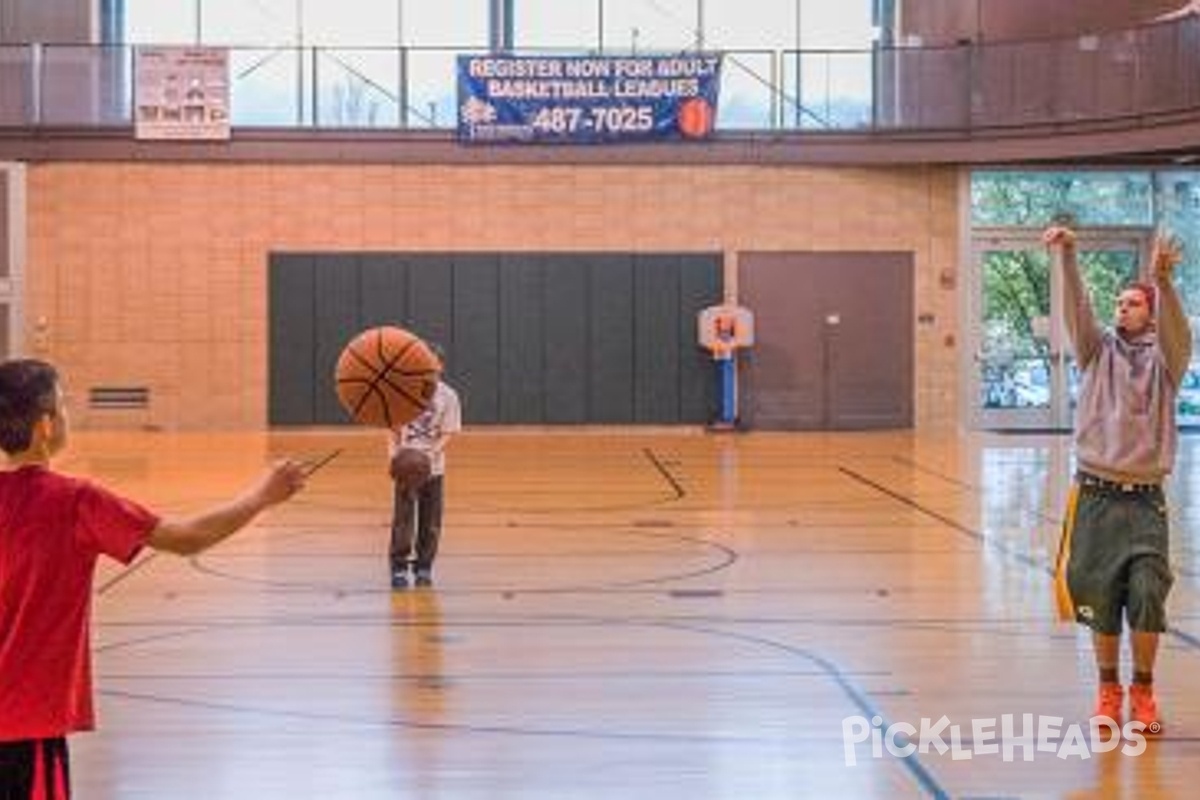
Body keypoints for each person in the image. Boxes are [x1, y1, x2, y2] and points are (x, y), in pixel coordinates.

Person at [0, 358, 306, 799]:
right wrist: (262, 496)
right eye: (63, 405)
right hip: (25, 726)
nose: (69, 415)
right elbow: (188, 538)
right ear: (46, 426)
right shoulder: (75, 502)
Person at [1046, 225, 1192, 734]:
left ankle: (1144, 692)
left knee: (1149, 593)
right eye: (1118, 301)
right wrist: (1066, 256)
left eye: (1132, 302)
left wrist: (1164, 281)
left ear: (1150, 312)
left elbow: (1181, 333)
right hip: (1095, 495)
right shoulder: (1096, 351)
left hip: (1144, 500)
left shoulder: (1166, 362)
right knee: (1100, 597)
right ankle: (1108, 690)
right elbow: (1077, 311)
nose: (1121, 308)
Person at [388, 361, 461, 590]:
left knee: (431, 521)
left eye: (433, 367)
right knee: (403, 520)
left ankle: (424, 567)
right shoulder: (401, 390)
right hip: (406, 464)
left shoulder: (448, 395)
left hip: (432, 467)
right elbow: (391, 428)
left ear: (440, 368)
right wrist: (394, 456)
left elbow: (448, 432)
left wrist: (431, 455)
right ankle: (399, 567)